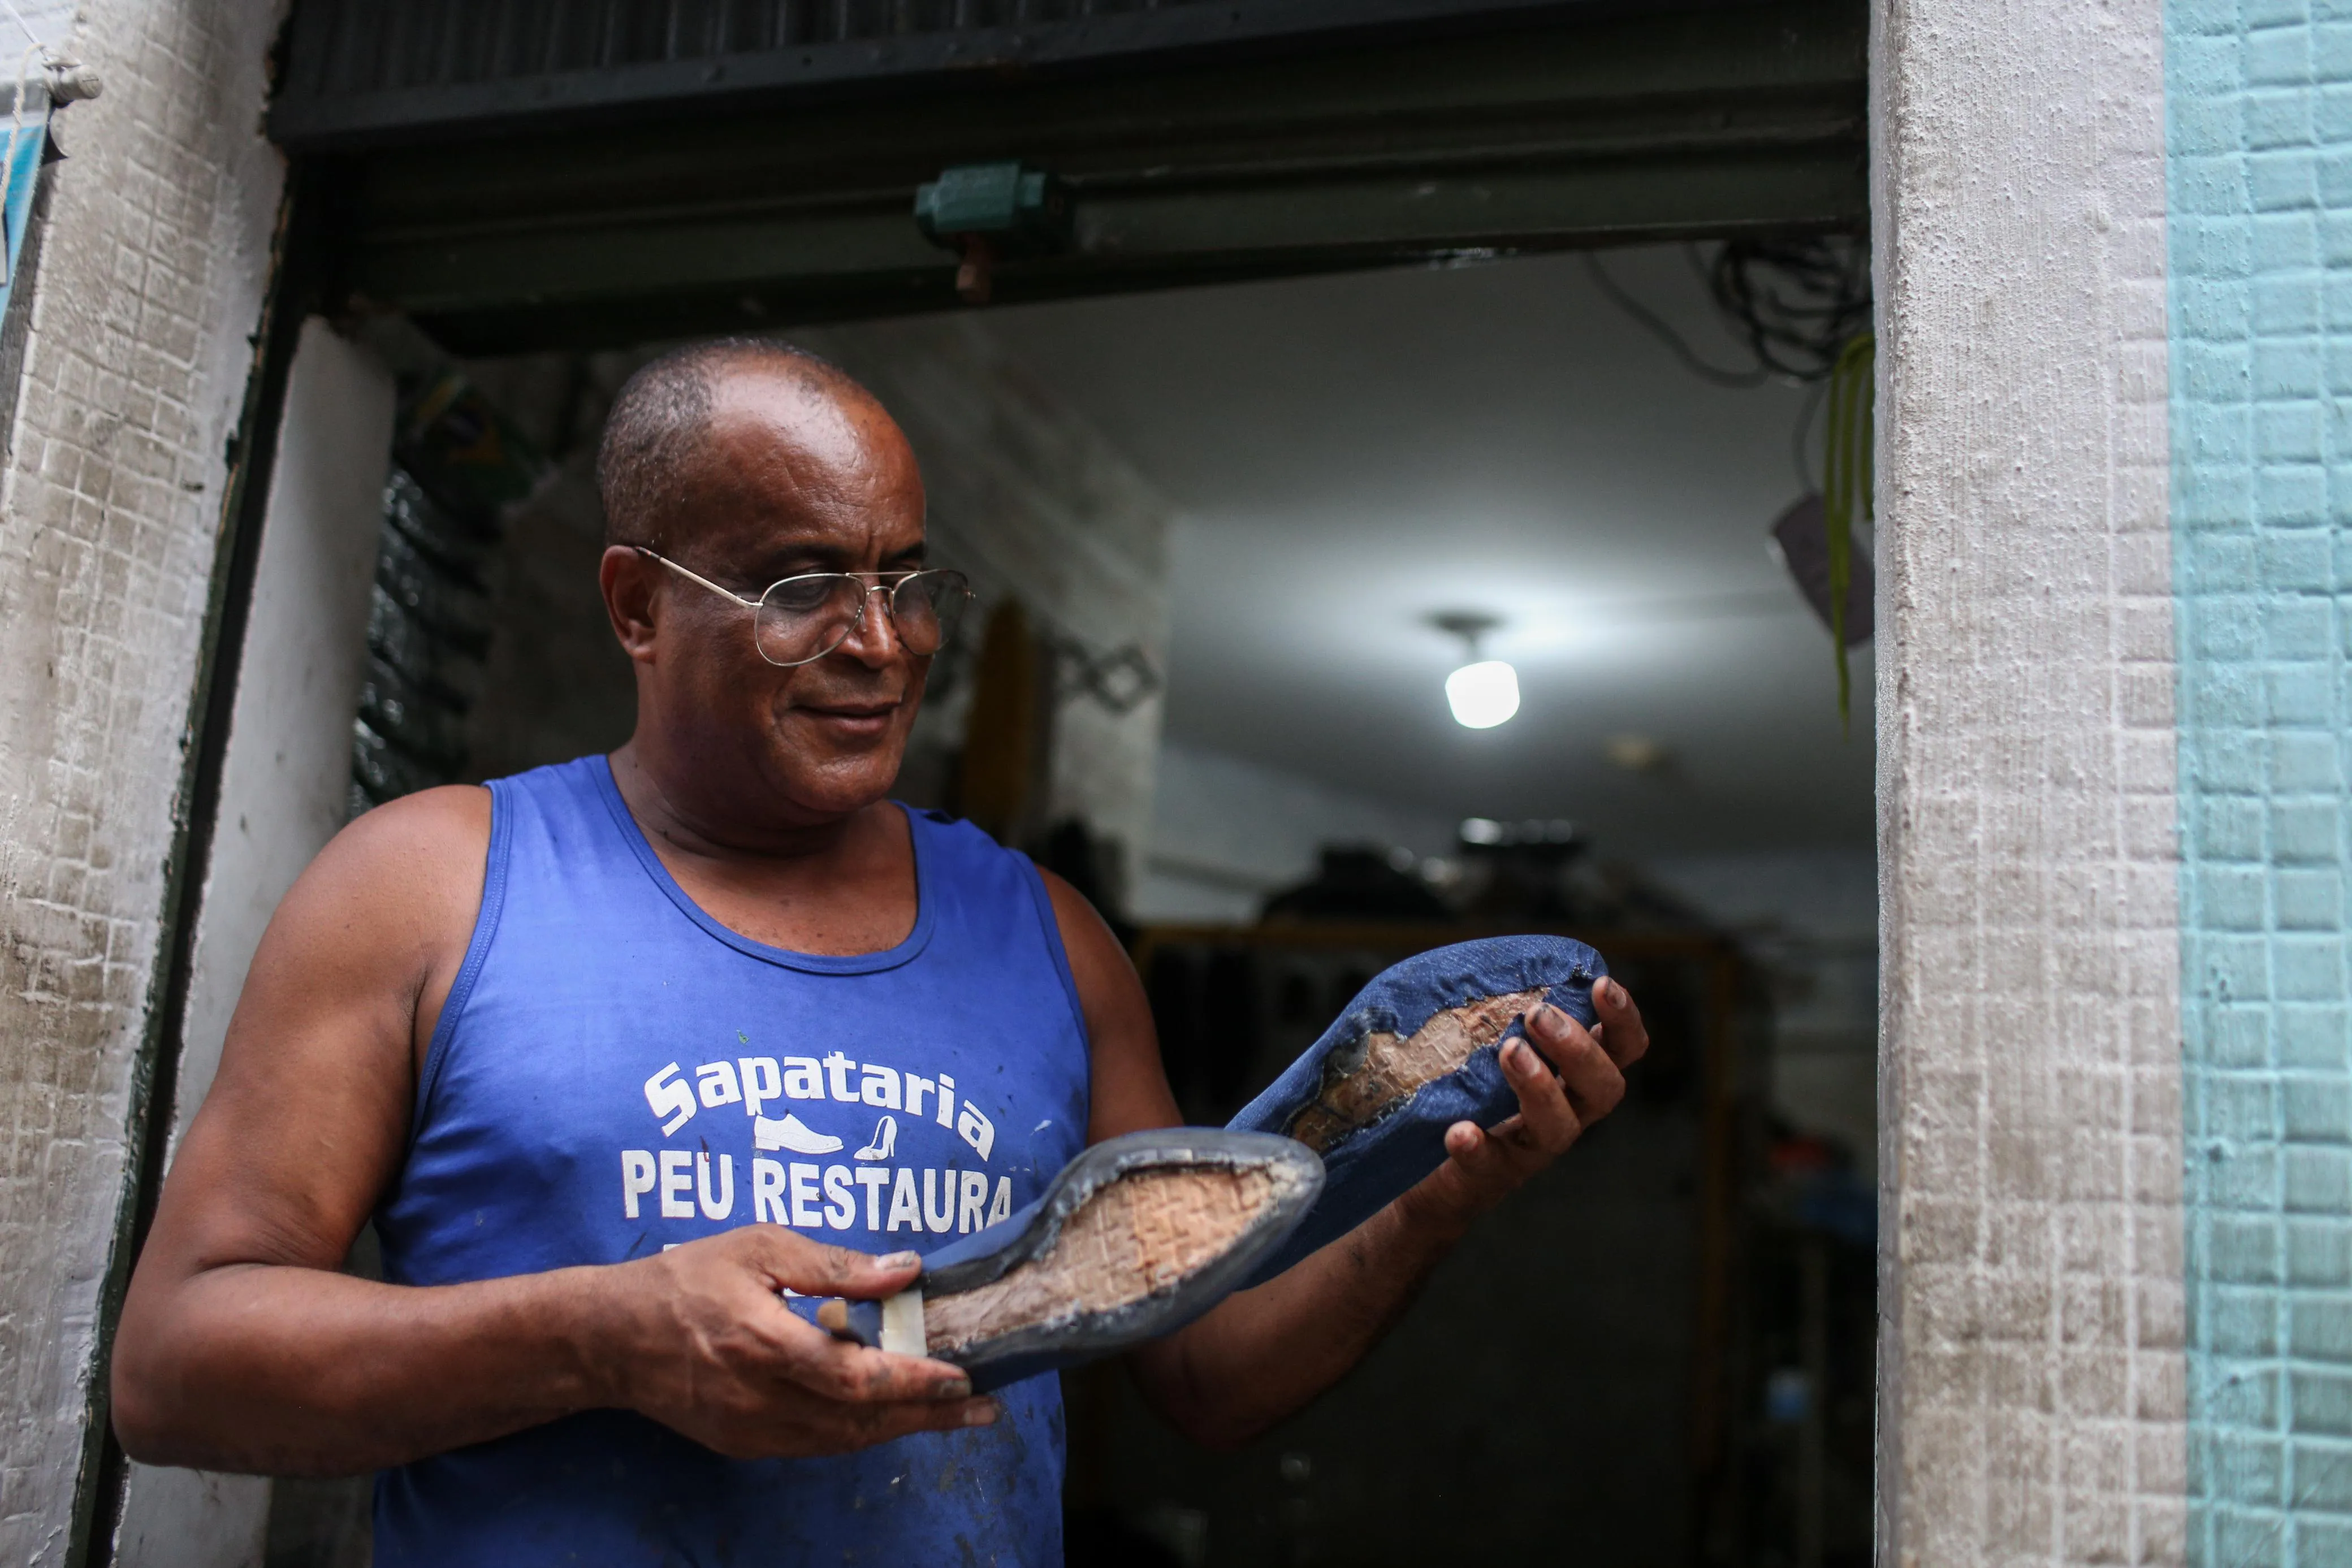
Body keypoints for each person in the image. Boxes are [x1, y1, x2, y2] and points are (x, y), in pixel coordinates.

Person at [112, 340, 1650, 1565]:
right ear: (637, 604)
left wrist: (1447, 1190)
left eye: (907, 579)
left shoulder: (1048, 939)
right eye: (799, 586)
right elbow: (176, 1365)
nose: (882, 641)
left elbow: (1206, 1369)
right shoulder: (430, 886)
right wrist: (607, 1332)